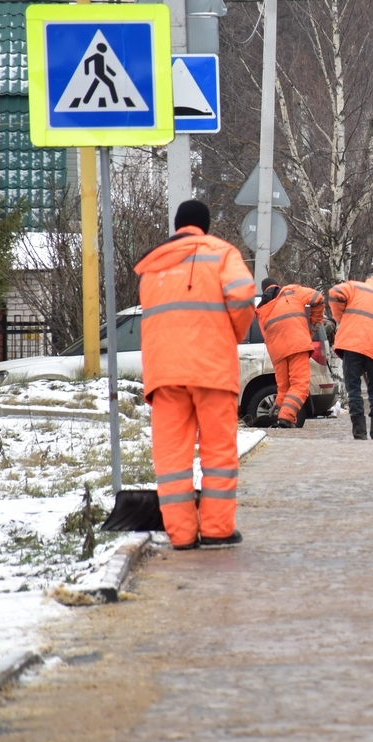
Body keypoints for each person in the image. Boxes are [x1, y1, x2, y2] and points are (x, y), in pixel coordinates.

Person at [134, 200, 255, 549]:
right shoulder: (221, 253)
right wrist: (232, 333)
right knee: (218, 452)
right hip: (212, 368)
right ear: (206, 225)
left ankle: (182, 534)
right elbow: (242, 294)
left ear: (177, 226)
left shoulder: (153, 266)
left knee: (171, 458)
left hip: (164, 373)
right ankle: (217, 529)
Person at [328, 270, 373, 439]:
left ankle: (359, 433)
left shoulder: (356, 288)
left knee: (354, 391)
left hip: (352, 345)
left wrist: (340, 318)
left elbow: (335, 292)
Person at [255, 276, 326, 429]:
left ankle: (281, 416)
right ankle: (285, 417)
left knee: (284, 389)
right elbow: (317, 298)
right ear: (278, 285)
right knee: (300, 385)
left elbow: (266, 336)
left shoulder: (260, 309)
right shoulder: (291, 291)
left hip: (277, 352)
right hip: (297, 344)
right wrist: (312, 325)